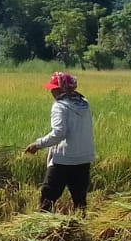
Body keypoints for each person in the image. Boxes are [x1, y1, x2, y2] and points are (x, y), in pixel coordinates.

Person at [24, 72, 95, 213]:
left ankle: (43, 228)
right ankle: (80, 228)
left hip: (63, 159)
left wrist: (37, 144)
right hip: (84, 158)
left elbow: (59, 133)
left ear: (60, 89)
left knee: (47, 197)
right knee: (80, 201)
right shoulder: (84, 104)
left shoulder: (59, 106)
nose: (51, 91)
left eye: (54, 88)